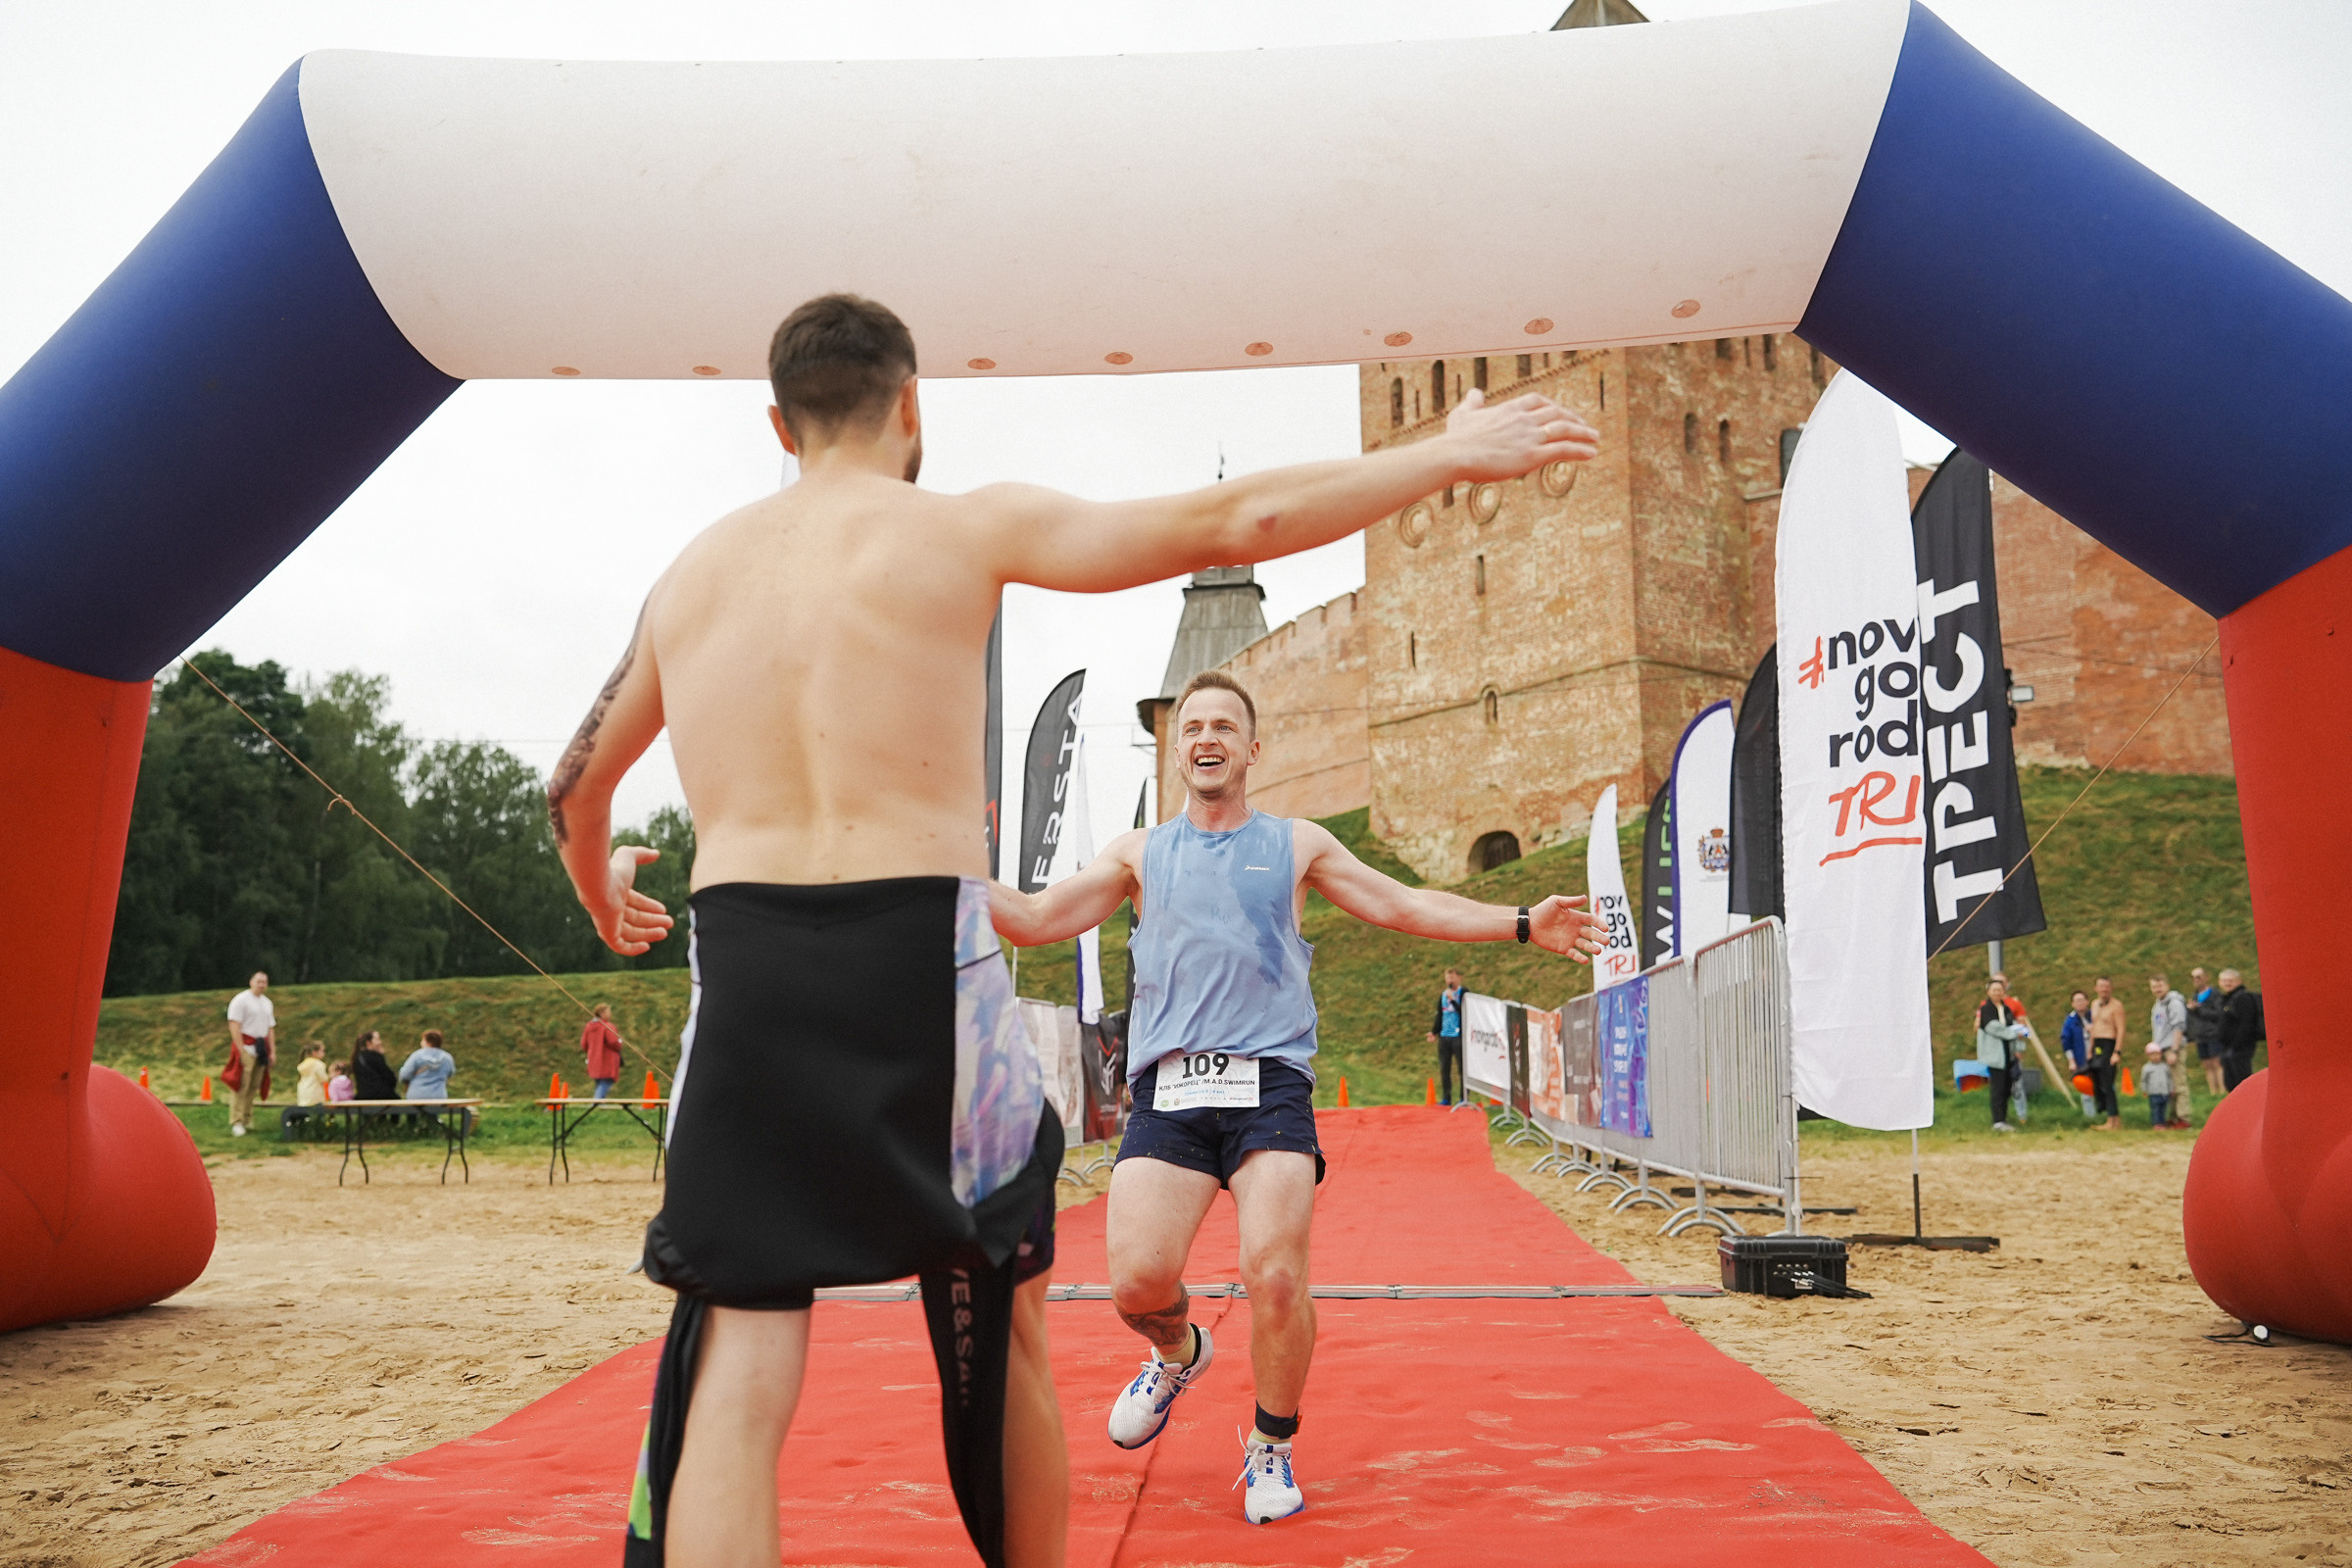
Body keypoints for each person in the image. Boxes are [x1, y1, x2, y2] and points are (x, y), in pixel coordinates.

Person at [543, 293, 1599, 1568]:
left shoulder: (692, 575)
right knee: (1003, 1316)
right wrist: (1440, 455)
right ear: (912, 404)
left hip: (744, 951)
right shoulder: (962, 526)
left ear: (777, 419)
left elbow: (576, 784)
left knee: (743, 1346)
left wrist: (605, 895)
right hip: (919, 952)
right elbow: (1232, 523)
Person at [989, 671, 1605, 1524]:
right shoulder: (1139, 854)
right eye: (1193, 726)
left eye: (1224, 727)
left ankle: (1270, 1446)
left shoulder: (1296, 845)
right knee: (1135, 1282)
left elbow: (1401, 903)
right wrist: (940, 891)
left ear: (1251, 749)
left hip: (1268, 1084)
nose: (1207, 738)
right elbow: (1033, 917)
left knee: (1276, 1275)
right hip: (1169, 1087)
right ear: (1178, 750)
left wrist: (1520, 922)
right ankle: (1178, 1351)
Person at [223, 971, 276, 1139]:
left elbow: (270, 1028)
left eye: (264, 982)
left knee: (254, 1085)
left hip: (261, 1048)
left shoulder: (267, 1003)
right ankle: (236, 1121)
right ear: (251, 981)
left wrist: (272, 1051)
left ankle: (247, 1118)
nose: (262, 984)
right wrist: (240, 1049)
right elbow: (234, 1024)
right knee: (241, 1085)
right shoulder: (241, 1000)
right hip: (246, 1046)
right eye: (259, 981)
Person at [1975, 979, 2027, 1133]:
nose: (1997, 992)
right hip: (1995, 1055)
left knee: (2007, 1087)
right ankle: (1998, 1121)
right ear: (1988, 992)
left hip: (2008, 1054)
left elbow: (2013, 1025)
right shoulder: (1986, 1009)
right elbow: (1993, 1028)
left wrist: (2019, 1042)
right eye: (1994, 989)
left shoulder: (2006, 1008)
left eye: (2000, 990)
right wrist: (2012, 1033)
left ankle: (2003, 1118)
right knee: (1997, 1088)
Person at [2147, 973, 2190, 1129]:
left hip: (2173, 1047)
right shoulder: (2158, 1003)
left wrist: (2174, 1049)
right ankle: (2172, 1116)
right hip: (2161, 1048)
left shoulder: (2174, 1002)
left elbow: (2178, 1027)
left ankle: (2183, 1117)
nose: (2157, 989)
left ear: (2167, 985)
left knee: (2179, 1084)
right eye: (2154, 986)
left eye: (2160, 985)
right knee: (2168, 1086)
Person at [2087, 976, 2128, 1132]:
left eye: (2107, 987)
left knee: (2108, 1083)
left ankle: (2113, 1120)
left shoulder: (2116, 1006)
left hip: (2109, 1045)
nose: (2104, 989)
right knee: (2099, 1082)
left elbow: (2121, 1029)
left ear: (2111, 988)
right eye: (2101, 986)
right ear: (2096, 988)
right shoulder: (2095, 1004)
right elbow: (2094, 1027)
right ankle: (2108, 1116)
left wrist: (2117, 1051)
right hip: (2097, 1046)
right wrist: (2090, 1050)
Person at [2216, 968, 2262, 1090]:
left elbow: (2247, 1024)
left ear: (2238, 981)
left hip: (2240, 1047)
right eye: (2224, 981)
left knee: (2242, 1082)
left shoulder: (2243, 998)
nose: (2227, 983)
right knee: (2230, 1083)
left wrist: (2236, 1045)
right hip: (2228, 1047)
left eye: (2230, 980)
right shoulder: (2226, 999)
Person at [1427, 967, 1466, 1106]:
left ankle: (1464, 1098)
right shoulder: (1444, 995)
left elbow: (1466, 1012)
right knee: (1445, 1068)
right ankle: (1446, 1098)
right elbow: (1440, 1014)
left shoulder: (1464, 994)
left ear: (1458, 978)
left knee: (1462, 1068)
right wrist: (1434, 1032)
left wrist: (1454, 1001)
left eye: (1452, 977)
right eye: (1448, 978)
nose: (1450, 980)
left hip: (1458, 1036)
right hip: (1445, 1036)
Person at [2186, 966, 2226, 1098]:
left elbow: (2218, 1013)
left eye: (2198, 977)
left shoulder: (2214, 994)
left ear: (2206, 978)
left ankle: (2222, 1089)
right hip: (2200, 1035)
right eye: (2193, 978)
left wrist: (2199, 1010)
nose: (2196, 980)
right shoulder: (2194, 996)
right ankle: (2213, 1092)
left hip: (2213, 1033)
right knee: (2207, 1064)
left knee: (2217, 1063)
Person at [281, 1042, 329, 1139]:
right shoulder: (318, 1065)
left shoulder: (303, 1065)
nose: (324, 1053)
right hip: (315, 1098)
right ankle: (320, 1132)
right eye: (322, 1051)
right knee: (321, 1113)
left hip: (303, 1098)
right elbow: (324, 1079)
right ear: (314, 1052)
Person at [2060, 991, 2094, 1115]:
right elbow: (2066, 1041)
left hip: (2097, 1056)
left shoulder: (2095, 1015)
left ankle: (2107, 1115)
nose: (2080, 1003)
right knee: (2085, 1090)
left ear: (2087, 1001)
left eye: (2082, 1000)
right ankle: (2090, 1116)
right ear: (2072, 1004)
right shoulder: (2070, 1021)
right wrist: (2071, 1060)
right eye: (2077, 1000)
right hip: (2081, 1059)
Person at [582, 1004, 625, 1099]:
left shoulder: (589, 1026)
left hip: (593, 1060)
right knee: (605, 1082)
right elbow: (614, 1042)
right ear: (602, 1013)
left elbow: (584, 1044)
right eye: (608, 1012)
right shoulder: (607, 1026)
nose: (610, 1014)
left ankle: (599, 1105)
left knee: (599, 1083)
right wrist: (620, 1042)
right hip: (607, 1060)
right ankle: (596, 1104)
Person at [399, 1030, 457, 1101]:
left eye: (422, 1040)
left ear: (428, 1042)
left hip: (416, 1096)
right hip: (439, 1096)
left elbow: (404, 1075)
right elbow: (450, 1073)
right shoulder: (447, 1058)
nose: (421, 1043)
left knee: (412, 1111)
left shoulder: (417, 1056)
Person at [350, 1029, 399, 1102]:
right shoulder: (376, 1056)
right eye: (377, 1039)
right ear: (369, 1042)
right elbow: (390, 1078)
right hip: (380, 1096)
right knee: (396, 1099)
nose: (380, 1042)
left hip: (362, 1096)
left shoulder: (356, 1058)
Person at [2141, 1043, 2173, 1129]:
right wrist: (2144, 1090)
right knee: (2156, 1109)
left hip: (2164, 1092)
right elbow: (2144, 1080)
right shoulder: (2146, 1068)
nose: (2155, 1057)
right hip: (2153, 1092)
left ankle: (2163, 1123)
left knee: (2164, 1108)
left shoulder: (2165, 1066)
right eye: (2152, 1055)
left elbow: (2169, 1079)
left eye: (2157, 1054)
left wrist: (2171, 1089)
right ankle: (2157, 1123)